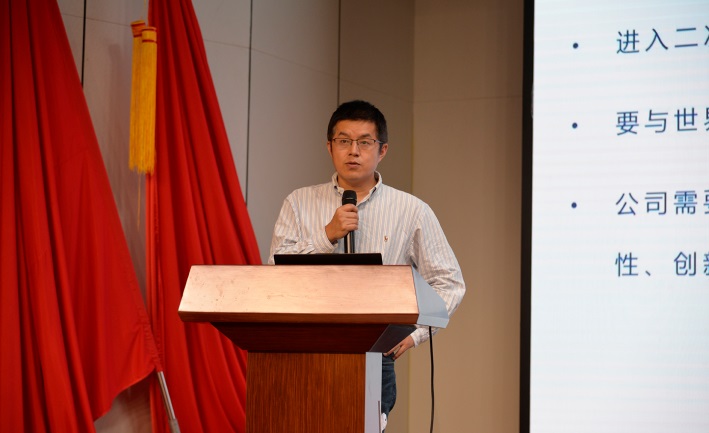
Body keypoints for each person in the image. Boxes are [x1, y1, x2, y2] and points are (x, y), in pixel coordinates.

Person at [268, 100, 465, 427]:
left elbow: (450, 283)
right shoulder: (299, 203)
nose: (353, 151)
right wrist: (327, 235)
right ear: (329, 147)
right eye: (343, 141)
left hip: (374, 355)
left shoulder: (411, 210)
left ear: (382, 150)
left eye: (364, 142)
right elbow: (275, 276)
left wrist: (415, 334)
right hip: (303, 351)